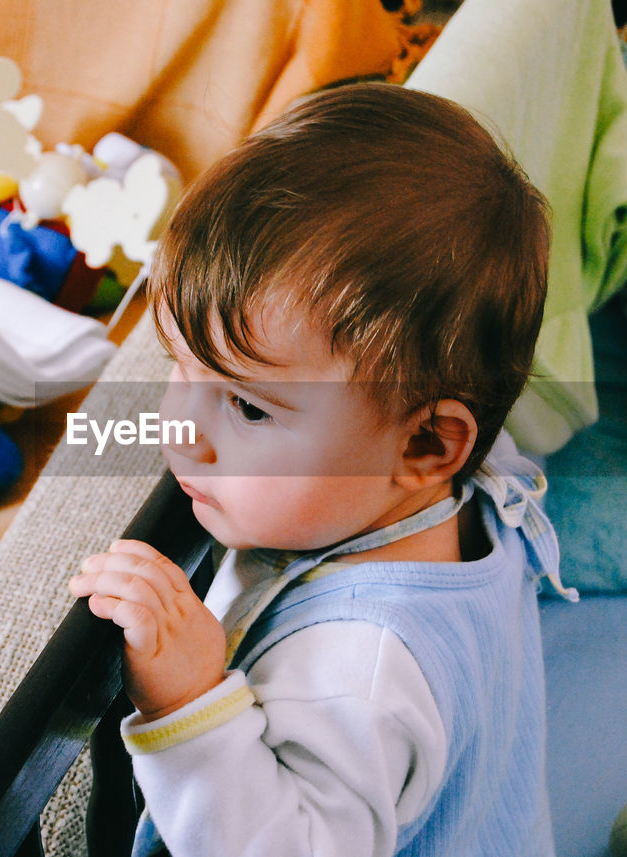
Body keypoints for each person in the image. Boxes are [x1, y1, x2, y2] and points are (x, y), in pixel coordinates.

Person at [68, 82, 575, 857]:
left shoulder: (356, 670)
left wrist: (192, 704)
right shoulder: (464, 486)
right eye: (179, 365)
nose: (180, 429)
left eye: (249, 408)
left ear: (427, 447)